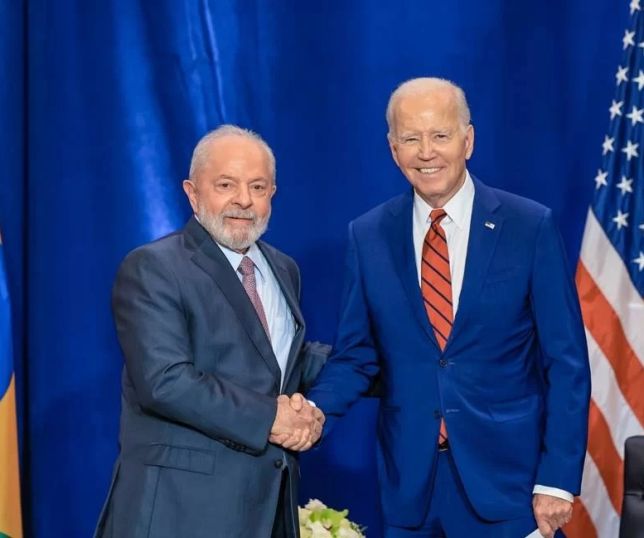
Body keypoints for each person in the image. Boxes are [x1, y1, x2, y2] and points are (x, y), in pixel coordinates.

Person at [307, 78, 591, 538]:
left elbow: (566, 362)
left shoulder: (528, 226)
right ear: (393, 149)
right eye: (410, 139)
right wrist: (313, 412)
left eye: (440, 135)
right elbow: (356, 355)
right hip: (409, 489)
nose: (426, 152)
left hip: (509, 487)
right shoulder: (368, 234)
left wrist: (557, 478)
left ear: (468, 140)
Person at [94, 125, 328, 538]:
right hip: (179, 513)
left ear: (272, 194)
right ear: (192, 192)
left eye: (258, 187)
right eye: (226, 184)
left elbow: (277, 360)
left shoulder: (283, 268)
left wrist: (376, 364)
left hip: (265, 509)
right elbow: (165, 381)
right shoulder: (153, 267)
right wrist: (272, 417)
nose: (244, 199)